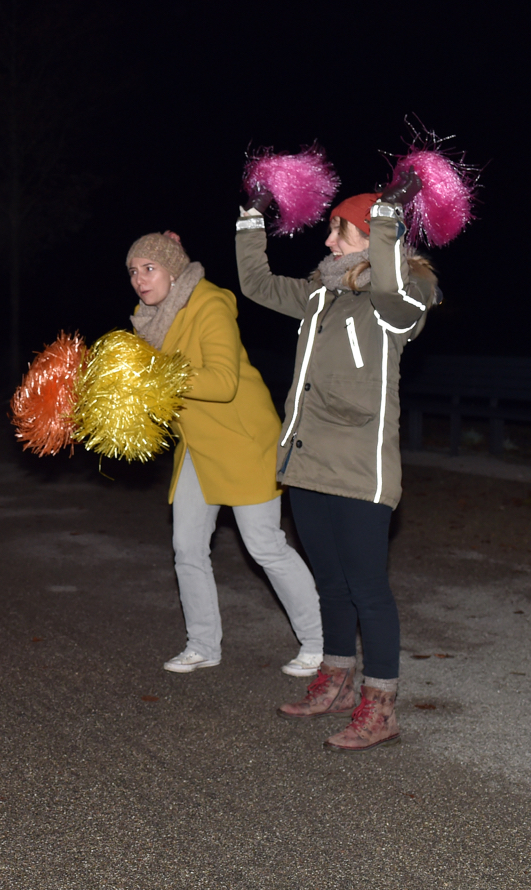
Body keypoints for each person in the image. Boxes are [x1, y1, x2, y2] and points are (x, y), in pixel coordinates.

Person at [234, 170, 436, 751]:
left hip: (360, 469)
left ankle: (381, 705)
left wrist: (385, 223)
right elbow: (255, 284)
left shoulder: (399, 298)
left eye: (337, 232)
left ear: (369, 235)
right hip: (307, 462)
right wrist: (251, 217)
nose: (326, 242)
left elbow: (395, 299)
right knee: (330, 584)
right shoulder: (321, 293)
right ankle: (338, 681)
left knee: (368, 589)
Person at [125, 232, 322, 679]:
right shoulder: (148, 320)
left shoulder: (210, 304)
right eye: (133, 271)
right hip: (197, 445)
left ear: (173, 270)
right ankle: (202, 645)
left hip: (242, 441)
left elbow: (222, 383)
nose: (140, 279)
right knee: (187, 548)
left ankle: (319, 642)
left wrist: (155, 377)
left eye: (149, 268)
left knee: (265, 546)